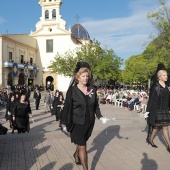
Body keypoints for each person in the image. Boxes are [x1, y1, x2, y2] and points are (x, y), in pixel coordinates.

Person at [61, 62, 107, 170]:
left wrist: (100, 116)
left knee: (82, 142)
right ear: (78, 77)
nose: (86, 78)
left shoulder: (92, 89)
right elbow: (67, 106)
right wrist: (63, 122)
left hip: (89, 121)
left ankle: (76, 155)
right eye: (83, 76)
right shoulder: (72, 90)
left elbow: (95, 105)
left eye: (87, 76)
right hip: (77, 122)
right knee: (83, 146)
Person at [146, 69, 170, 152]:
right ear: (159, 77)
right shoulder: (155, 86)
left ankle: (169, 145)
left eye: (166, 75)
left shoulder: (167, 86)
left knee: (165, 127)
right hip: (156, 110)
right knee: (156, 127)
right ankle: (150, 139)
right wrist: (147, 111)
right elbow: (151, 99)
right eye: (164, 75)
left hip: (165, 110)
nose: (166, 76)